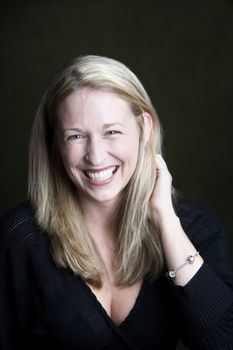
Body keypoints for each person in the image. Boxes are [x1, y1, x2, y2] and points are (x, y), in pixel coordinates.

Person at [0, 55, 232, 350]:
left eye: (112, 131)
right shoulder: (19, 238)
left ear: (144, 128)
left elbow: (223, 342)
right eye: (75, 136)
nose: (95, 156)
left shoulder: (196, 227)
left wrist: (166, 222)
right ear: (54, 143)